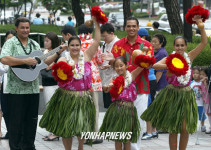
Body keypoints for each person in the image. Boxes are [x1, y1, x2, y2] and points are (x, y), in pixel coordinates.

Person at [141, 15, 207, 150]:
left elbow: (203, 43)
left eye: (182, 45)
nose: (180, 48)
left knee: (184, 128)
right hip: (172, 95)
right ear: (174, 46)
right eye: (177, 45)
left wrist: (201, 25)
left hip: (186, 95)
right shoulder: (169, 58)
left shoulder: (190, 56)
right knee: (173, 128)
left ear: (186, 46)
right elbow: (154, 66)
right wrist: (170, 67)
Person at [0, 17, 67, 150]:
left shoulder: (34, 44)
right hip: (16, 90)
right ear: (17, 28)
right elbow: (4, 58)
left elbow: (44, 62)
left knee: (31, 122)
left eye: (27, 27)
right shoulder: (11, 43)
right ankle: (16, 147)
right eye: (22, 27)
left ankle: (29, 146)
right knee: (16, 122)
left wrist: (58, 51)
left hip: (33, 89)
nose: (25, 30)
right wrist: (25, 61)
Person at [39, 16, 100, 150]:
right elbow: (45, 63)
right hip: (66, 97)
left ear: (81, 46)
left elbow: (96, 41)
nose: (75, 48)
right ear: (68, 46)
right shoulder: (63, 59)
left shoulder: (87, 56)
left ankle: (80, 147)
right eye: (72, 45)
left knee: (82, 125)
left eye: (77, 45)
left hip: (83, 97)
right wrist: (58, 52)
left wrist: (97, 25)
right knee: (66, 128)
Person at [102, 16, 154, 150]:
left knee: (139, 124)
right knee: (122, 126)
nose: (131, 28)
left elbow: (149, 65)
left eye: (134, 26)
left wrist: (142, 60)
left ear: (137, 27)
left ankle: (134, 148)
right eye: (128, 26)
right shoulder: (118, 45)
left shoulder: (146, 46)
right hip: (122, 92)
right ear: (125, 27)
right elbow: (116, 65)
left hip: (141, 88)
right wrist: (111, 63)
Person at [100, 56, 142, 150]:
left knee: (127, 138)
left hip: (129, 110)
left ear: (126, 66)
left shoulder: (131, 76)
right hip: (117, 110)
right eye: (116, 66)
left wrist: (144, 57)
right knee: (118, 138)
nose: (119, 68)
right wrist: (107, 87)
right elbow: (107, 90)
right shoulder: (113, 79)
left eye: (121, 65)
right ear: (114, 68)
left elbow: (142, 66)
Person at [78, 24, 103, 144]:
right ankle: (93, 135)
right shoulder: (93, 42)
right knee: (94, 107)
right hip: (93, 77)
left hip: (78, 78)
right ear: (90, 32)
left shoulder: (75, 42)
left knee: (81, 107)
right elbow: (99, 60)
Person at [41, 32, 60, 141]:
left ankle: (55, 132)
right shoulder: (46, 52)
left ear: (53, 41)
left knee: (53, 107)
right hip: (47, 82)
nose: (45, 42)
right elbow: (43, 64)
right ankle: (52, 130)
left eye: (47, 40)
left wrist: (51, 65)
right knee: (49, 107)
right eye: (45, 40)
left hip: (54, 83)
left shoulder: (59, 52)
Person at [0, 30, 16, 140]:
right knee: (5, 109)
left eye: (12, 38)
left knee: (15, 109)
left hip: (16, 85)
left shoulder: (19, 52)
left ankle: (16, 132)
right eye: (8, 38)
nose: (10, 40)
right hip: (4, 84)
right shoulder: (3, 52)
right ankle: (10, 131)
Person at [100, 23, 119, 108]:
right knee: (108, 107)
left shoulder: (118, 44)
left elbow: (122, 62)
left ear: (112, 33)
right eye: (102, 37)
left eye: (105, 36)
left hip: (115, 79)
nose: (104, 39)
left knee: (115, 106)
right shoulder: (105, 44)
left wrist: (111, 64)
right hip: (105, 79)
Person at [190, 66, 206, 132]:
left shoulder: (202, 83)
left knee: (202, 115)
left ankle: (202, 125)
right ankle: (193, 126)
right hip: (193, 103)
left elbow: (205, 91)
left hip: (201, 103)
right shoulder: (191, 83)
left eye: (197, 73)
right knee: (193, 115)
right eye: (194, 73)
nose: (195, 75)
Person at [200, 67, 211, 134]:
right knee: (208, 114)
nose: (201, 76)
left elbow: (208, 90)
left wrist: (205, 82)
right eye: (200, 74)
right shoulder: (201, 82)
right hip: (205, 101)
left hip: (208, 100)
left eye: (203, 74)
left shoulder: (207, 82)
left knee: (209, 113)